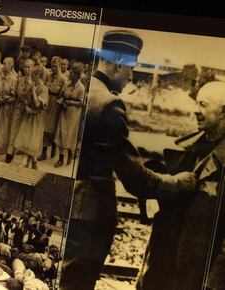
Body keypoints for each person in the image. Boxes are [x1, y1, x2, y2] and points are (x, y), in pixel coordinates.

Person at [59, 30, 196, 290]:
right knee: (77, 283)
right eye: (130, 69)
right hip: (91, 212)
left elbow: (101, 145)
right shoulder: (111, 105)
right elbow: (134, 177)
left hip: (65, 200)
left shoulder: (82, 90)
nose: (131, 76)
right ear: (119, 64)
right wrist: (176, 183)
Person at [137, 81, 225, 290]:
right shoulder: (188, 146)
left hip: (197, 273)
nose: (196, 111)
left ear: (223, 112)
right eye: (196, 104)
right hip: (164, 264)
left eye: (203, 105)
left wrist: (214, 283)